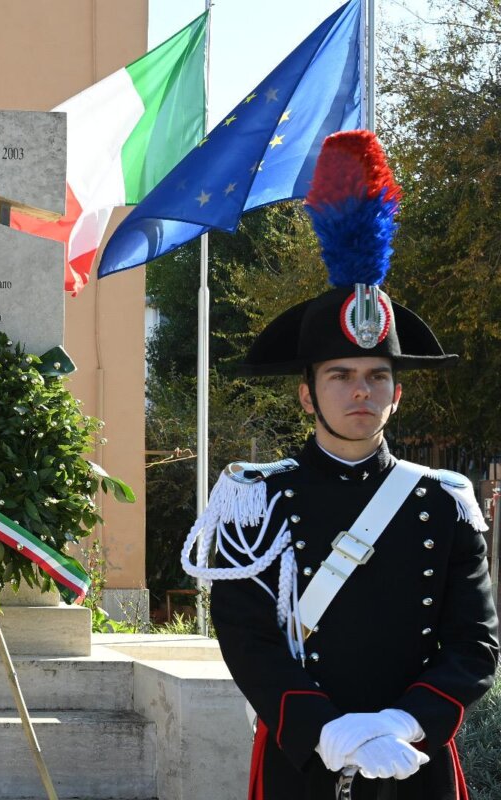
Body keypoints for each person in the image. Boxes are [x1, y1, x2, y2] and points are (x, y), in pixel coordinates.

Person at [182, 130, 499, 799]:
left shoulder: (443, 500)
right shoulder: (254, 498)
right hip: (304, 759)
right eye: (341, 375)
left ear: (397, 391)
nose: (361, 391)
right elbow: (244, 636)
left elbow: (474, 643)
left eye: (377, 376)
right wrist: (327, 731)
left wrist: (405, 722)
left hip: (412, 760)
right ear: (306, 393)